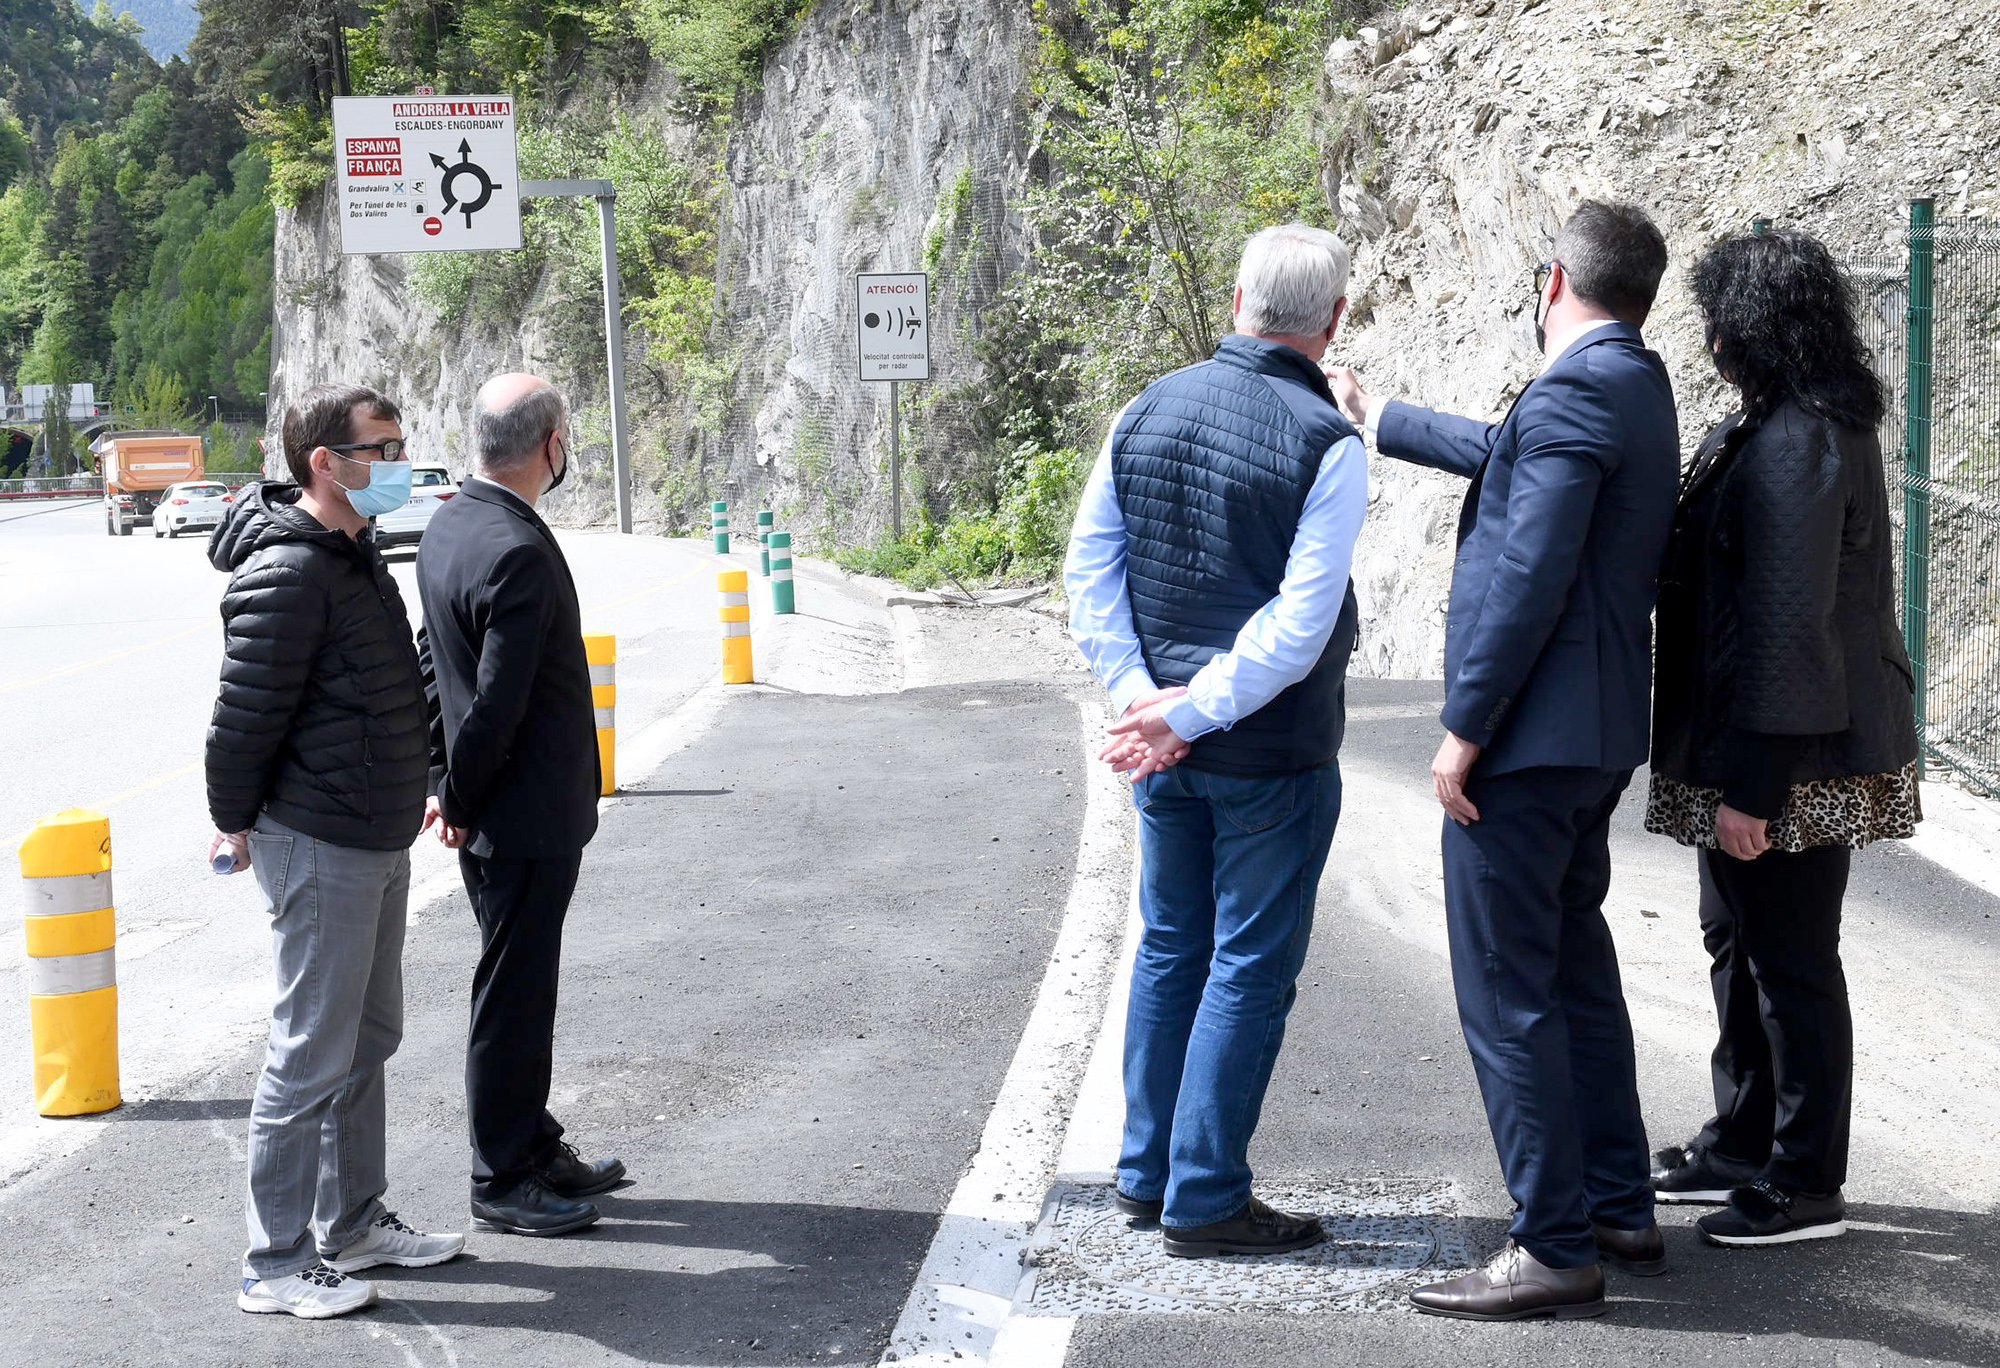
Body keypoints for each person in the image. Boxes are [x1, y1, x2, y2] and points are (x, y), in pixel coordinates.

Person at [1330, 201, 1678, 1320]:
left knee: (1503, 991)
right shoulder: (1635, 379)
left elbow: (1529, 566)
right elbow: (1509, 458)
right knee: (1572, 969)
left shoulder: (1576, 386)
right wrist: (1379, 414)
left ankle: (1551, 1244)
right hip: (1592, 735)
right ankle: (1617, 1205)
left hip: (1527, 743)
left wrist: (1462, 729)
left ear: (1548, 285)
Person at [1065, 224, 1369, 1258]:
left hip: (1164, 751)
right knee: (1245, 967)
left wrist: (1140, 702)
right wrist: (1188, 710)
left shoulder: (1142, 406)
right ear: (1331, 322)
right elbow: (1300, 620)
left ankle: (1146, 1174)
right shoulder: (1326, 439)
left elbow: (1090, 571)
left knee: (1168, 947)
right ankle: (1203, 1196)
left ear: (1237, 298)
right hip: (1264, 752)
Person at [1645, 229, 1919, 1246]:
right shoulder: (1780, 421)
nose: (1709, 334)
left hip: (1792, 751)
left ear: (1749, 327)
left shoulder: (1800, 438)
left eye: (1719, 316)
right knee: (1736, 934)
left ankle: (1804, 1180)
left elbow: (1785, 621)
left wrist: (1752, 787)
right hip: (1763, 742)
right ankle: (1743, 1136)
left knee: (1791, 955)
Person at [206, 382, 464, 1319]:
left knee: (368, 1037)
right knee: (310, 1052)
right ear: (327, 461)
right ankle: (272, 1264)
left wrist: (428, 775)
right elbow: (241, 721)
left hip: (374, 830)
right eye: (382, 447)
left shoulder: (353, 555)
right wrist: (232, 820)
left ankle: (351, 1225)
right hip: (317, 840)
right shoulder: (289, 572)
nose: (397, 463)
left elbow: (391, 687)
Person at [416, 373, 624, 1237]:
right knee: (513, 993)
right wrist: (457, 793)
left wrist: (442, 782)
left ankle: (534, 1143)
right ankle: (502, 1177)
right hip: (523, 813)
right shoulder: (518, 549)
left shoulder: (451, 524)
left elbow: (432, 663)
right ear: (551, 446)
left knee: (521, 984)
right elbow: (496, 703)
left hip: (494, 806)